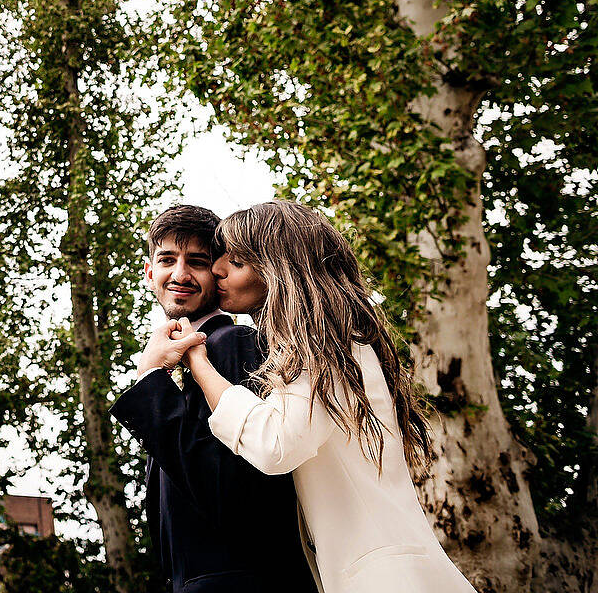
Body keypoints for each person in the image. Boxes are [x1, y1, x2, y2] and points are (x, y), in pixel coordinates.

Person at [157, 200, 477, 593]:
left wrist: (199, 361)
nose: (219, 269)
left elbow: (276, 444)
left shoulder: (325, 348)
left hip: (385, 577)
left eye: (236, 262)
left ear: (279, 270)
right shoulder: (323, 344)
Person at [111, 204, 319, 593]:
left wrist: (149, 382)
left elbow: (231, 491)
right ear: (149, 271)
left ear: (218, 272)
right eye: (167, 259)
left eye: (198, 261)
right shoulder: (183, 363)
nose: (180, 274)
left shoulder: (236, 343)